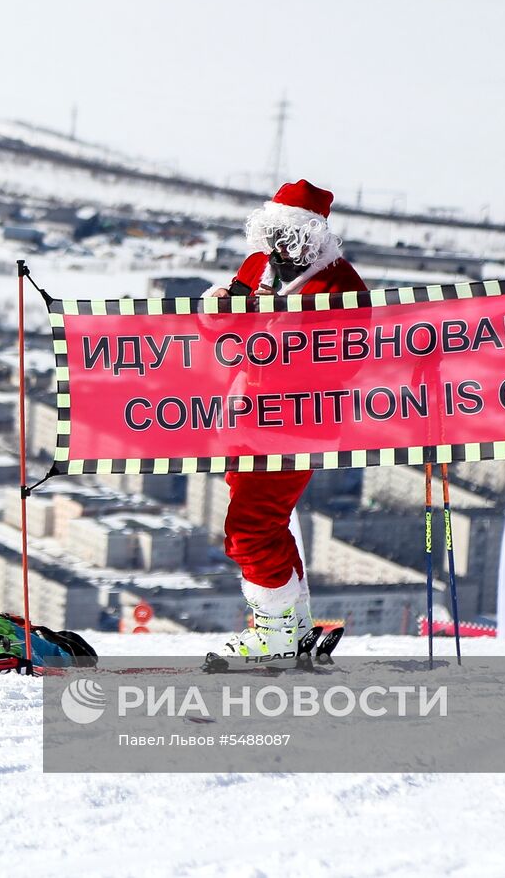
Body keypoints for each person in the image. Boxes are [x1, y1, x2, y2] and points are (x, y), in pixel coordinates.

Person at [208, 180, 367, 668]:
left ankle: (275, 632)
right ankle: (290, 626)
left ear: (314, 234)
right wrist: (218, 313)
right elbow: (228, 332)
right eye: (272, 231)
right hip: (244, 416)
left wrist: (279, 348)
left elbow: (349, 361)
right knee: (264, 524)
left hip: (297, 426)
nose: (278, 244)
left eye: (288, 233)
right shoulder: (256, 267)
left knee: (249, 530)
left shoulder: (341, 286)